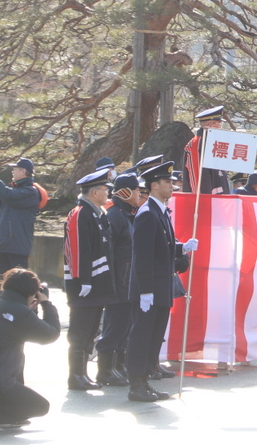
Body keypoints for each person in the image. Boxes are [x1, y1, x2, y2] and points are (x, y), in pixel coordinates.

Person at [126, 162, 196, 403]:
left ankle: (145, 380)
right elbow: (142, 256)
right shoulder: (147, 214)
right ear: (154, 185)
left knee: (154, 336)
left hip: (160, 286)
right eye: (167, 183)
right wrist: (145, 291)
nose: (172, 186)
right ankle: (136, 384)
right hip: (150, 288)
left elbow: (162, 245)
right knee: (142, 336)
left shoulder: (160, 211)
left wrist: (181, 247)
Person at [64, 169, 119, 391]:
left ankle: (83, 374)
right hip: (84, 285)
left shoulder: (97, 212)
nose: (107, 194)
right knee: (80, 330)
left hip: (98, 284)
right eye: (105, 190)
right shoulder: (80, 213)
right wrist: (83, 278)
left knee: (90, 330)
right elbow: (76, 248)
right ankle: (75, 375)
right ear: (95, 191)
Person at [96, 171, 141, 386]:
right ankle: (105, 370)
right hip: (119, 280)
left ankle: (117, 365)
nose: (139, 193)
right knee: (115, 325)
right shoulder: (114, 214)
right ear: (125, 192)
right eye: (136, 190)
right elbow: (109, 251)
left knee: (124, 325)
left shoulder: (127, 213)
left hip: (128, 278)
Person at [0, 269, 60, 427]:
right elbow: (50, 334)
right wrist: (46, 304)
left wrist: (29, 310)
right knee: (40, 406)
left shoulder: (15, 309)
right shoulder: (20, 313)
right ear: (32, 292)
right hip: (2, 385)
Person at [0, 158, 41, 275]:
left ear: (23, 171)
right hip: (4, 245)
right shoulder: (14, 191)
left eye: (15, 169)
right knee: (2, 284)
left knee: (18, 283)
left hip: (17, 247)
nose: (12, 172)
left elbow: (8, 196)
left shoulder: (31, 192)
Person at [182, 106, 231, 195]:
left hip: (220, 198)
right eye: (219, 125)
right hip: (206, 202)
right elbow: (197, 178)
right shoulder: (196, 144)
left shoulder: (215, 144)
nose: (221, 128)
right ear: (211, 126)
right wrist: (204, 202)